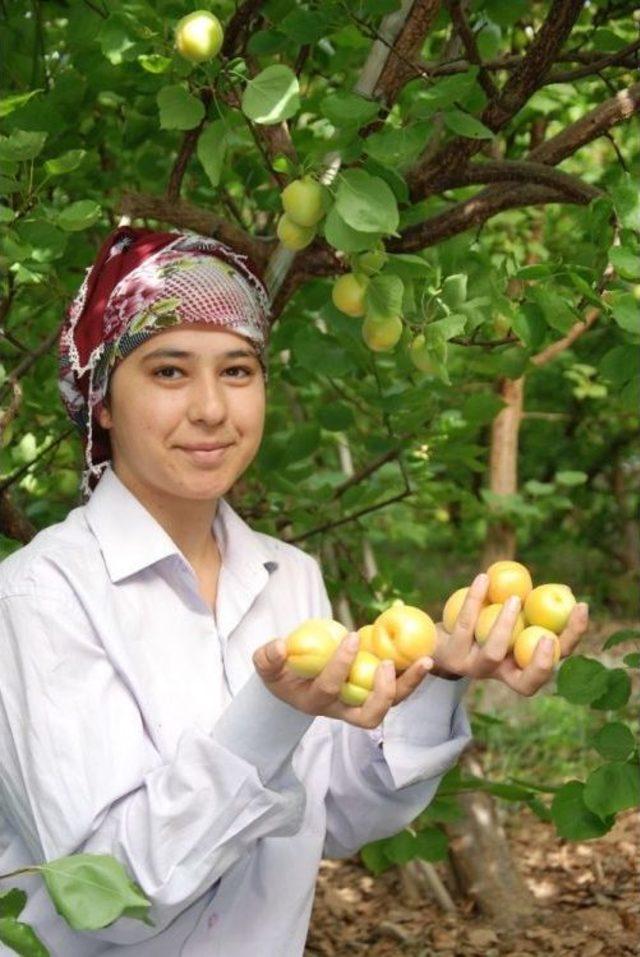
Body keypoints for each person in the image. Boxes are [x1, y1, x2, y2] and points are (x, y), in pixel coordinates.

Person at [0, 227, 589, 956]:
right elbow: (104, 896)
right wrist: (270, 715)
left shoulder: (287, 574)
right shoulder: (39, 596)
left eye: (239, 370)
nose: (213, 408)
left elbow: (334, 815)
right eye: (169, 372)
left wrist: (439, 673)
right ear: (104, 403)